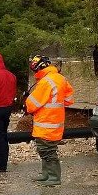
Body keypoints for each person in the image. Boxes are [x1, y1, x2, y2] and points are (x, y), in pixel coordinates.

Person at [25, 55, 74, 186]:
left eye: (35, 70)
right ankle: (46, 174)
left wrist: (28, 100)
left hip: (46, 122)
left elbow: (31, 104)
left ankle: (53, 177)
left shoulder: (45, 82)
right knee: (47, 149)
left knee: (47, 150)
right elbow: (69, 100)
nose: (35, 73)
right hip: (56, 122)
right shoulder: (60, 78)